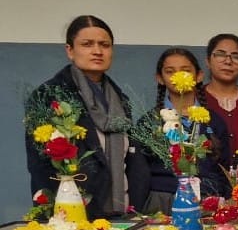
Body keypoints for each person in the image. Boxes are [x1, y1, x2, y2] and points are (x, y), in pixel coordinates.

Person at [24, 15, 148, 218]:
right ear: (70, 50)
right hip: (71, 211)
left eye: (105, 45)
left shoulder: (120, 99)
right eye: (87, 44)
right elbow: (40, 165)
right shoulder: (48, 95)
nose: (97, 51)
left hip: (121, 213)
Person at [133, 48, 232, 214]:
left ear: (199, 76)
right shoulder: (149, 121)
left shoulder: (214, 121)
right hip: (162, 200)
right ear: (160, 78)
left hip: (207, 200)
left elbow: (224, 169)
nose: (178, 76)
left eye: (186, 71)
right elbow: (139, 172)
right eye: (170, 71)